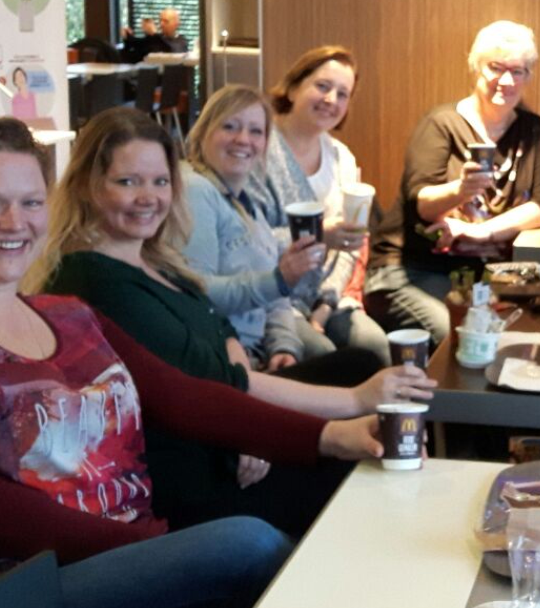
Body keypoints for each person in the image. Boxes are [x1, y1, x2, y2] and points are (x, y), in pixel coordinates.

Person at [0, 115, 384, 605]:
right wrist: (149, 545)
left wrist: (331, 435)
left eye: (31, 202)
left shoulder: (67, 315)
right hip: (21, 584)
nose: (14, 222)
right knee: (248, 544)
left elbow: (182, 397)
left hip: (131, 548)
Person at [28, 107, 434, 535]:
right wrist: (347, 405)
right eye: (127, 182)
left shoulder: (155, 257)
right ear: (89, 186)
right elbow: (205, 385)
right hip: (196, 469)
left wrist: (251, 416)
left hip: (225, 417)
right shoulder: (93, 279)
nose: (148, 197)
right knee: (350, 455)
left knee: (357, 363)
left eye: (160, 181)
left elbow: (222, 329)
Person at [366, 20, 540, 344]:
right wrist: (460, 190)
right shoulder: (441, 124)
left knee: (527, 331)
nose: (507, 81)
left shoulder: (534, 130)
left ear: (529, 76)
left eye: (518, 71)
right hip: (412, 269)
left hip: (485, 278)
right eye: (496, 68)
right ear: (475, 66)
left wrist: (481, 231)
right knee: (462, 332)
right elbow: (420, 202)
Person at [249, 45, 390, 364]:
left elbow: (350, 245)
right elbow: (248, 242)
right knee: (320, 355)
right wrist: (317, 235)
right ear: (293, 87)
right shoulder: (259, 152)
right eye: (322, 86)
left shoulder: (342, 158)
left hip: (326, 295)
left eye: (342, 94)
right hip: (274, 296)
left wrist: (326, 306)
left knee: (375, 346)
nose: (331, 100)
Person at [181, 84, 337, 370]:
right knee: (354, 365)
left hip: (261, 355)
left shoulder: (245, 201)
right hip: (225, 361)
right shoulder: (195, 190)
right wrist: (279, 279)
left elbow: (276, 299)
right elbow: (197, 292)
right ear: (203, 133)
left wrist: (284, 347)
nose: (243, 140)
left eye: (256, 131)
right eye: (230, 127)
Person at [121, 8, 188, 63]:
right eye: (160, 20)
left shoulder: (181, 41)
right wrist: (127, 38)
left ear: (176, 24)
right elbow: (133, 54)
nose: (161, 24)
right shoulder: (155, 39)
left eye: (166, 21)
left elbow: (172, 53)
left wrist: (154, 34)